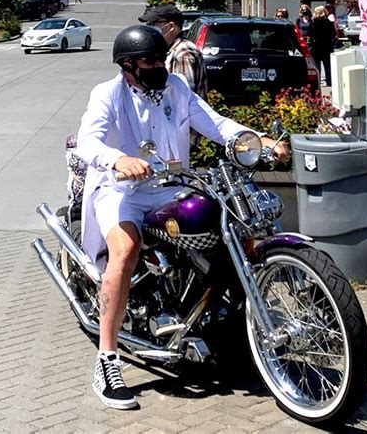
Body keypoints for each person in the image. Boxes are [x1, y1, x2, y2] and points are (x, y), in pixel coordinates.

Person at [76, 25, 288, 410]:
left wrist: (253, 139)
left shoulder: (175, 87)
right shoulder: (108, 94)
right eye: (150, 61)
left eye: (162, 58)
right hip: (121, 189)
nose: (159, 65)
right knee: (125, 252)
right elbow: (88, 140)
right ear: (128, 65)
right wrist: (118, 158)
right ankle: (107, 359)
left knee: (227, 227)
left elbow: (215, 123)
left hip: (173, 185)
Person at [138, 4, 208, 100]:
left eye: (154, 24)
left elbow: (183, 97)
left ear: (170, 26)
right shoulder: (171, 49)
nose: (150, 28)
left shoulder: (183, 52)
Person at [308, 6, 336, 86]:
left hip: (315, 47)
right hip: (326, 47)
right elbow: (333, 34)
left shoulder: (313, 23)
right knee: (327, 66)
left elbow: (309, 34)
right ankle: (329, 81)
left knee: (317, 66)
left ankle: (318, 81)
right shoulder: (328, 22)